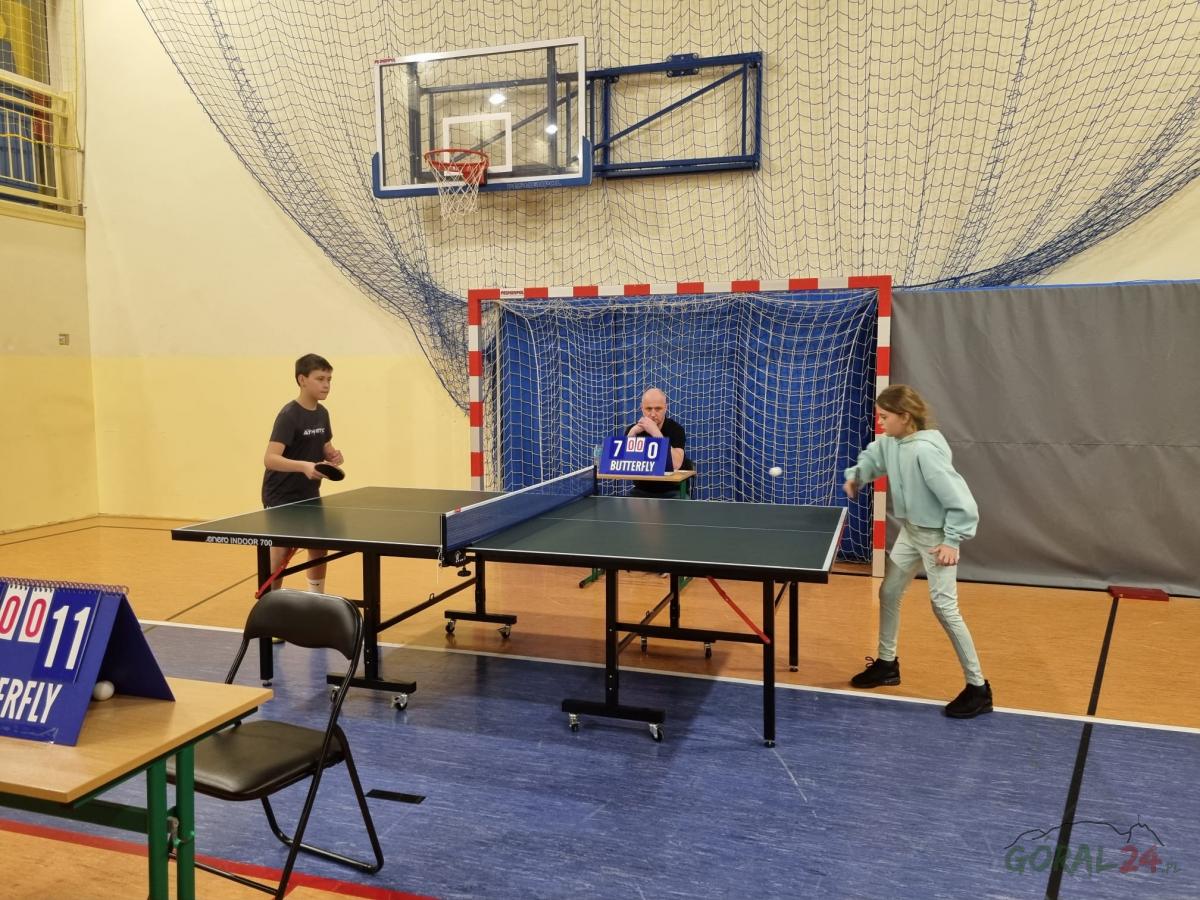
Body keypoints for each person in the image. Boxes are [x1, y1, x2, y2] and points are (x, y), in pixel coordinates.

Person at [842, 384, 991, 718]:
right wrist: (857, 476)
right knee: (890, 591)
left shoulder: (925, 451)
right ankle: (886, 665)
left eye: (885, 416)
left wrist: (952, 540)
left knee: (944, 608)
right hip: (911, 532)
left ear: (905, 417)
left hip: (937, 537)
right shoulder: (892, 442)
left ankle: (978, 688)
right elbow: (874, 457)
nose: (880, 422)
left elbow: (962, 502)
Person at [261, 353, 344, 595]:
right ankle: (271, 601)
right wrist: (305, 466)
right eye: (320, 379)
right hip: (281, 495)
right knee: (281, 552)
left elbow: (325, 446)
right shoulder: (289, 415)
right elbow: (270, 458)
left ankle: (316, 597)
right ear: (302, 380)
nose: (326, 385)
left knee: (318, 547)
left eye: (329, 379)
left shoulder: (322, 413)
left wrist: (333, 455)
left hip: (308, 494)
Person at [625, 387, 687, 498]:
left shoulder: (676, 430)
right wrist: (631, 434)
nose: (653, 414)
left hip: (672, 492)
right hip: (640, 491)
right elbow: (622, 463)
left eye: (658, 409)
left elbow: (676, 464)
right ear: (642, 408)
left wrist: (655, 432)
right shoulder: (633, 430)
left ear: (666, 408)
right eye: (648, 409)